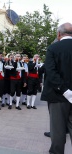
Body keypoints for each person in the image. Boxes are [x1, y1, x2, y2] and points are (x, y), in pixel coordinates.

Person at [41, 23, 72, 154]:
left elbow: (51, 72)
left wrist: (65, 91)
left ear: (59, 34)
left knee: (58, 132)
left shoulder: (53, 48)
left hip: (58, 96)